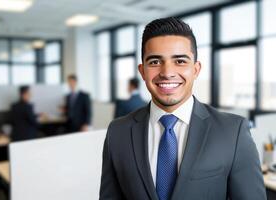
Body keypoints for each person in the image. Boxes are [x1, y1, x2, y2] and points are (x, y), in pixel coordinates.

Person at [99, 17, 266, 200]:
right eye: (155, 62)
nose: (167, 72)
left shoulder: (233, 132)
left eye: (179, 61)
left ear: (196, 69)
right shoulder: (118, 132)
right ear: (143, 71)